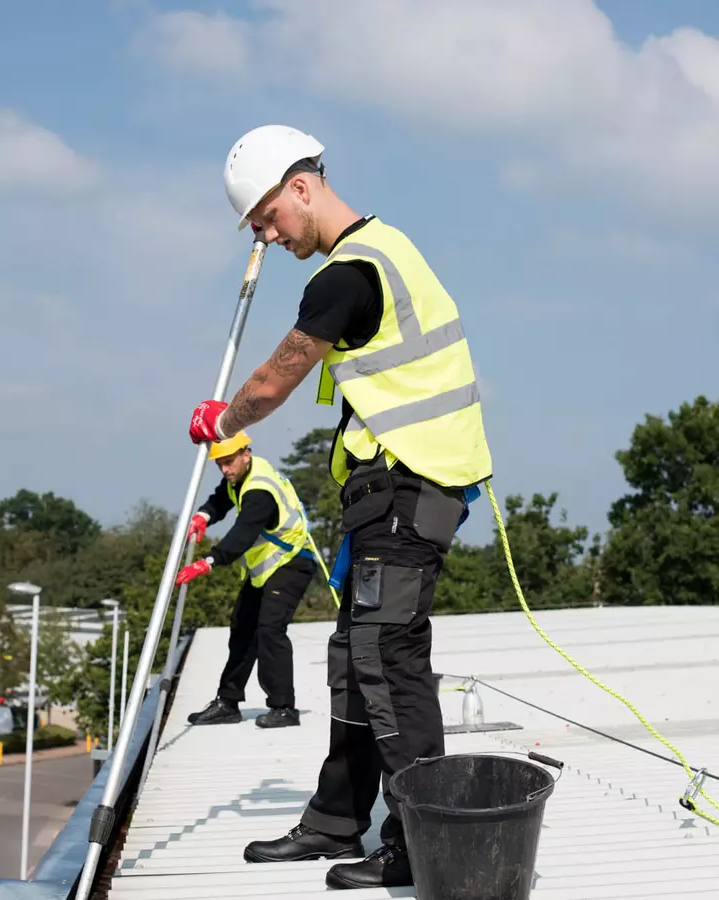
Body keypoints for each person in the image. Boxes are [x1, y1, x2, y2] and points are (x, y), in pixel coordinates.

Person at [186, 125, 493, 890]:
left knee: (387, 659)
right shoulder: (385, 254)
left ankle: (422, 843)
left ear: (301, 188)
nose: (265, 235)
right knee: (356, 658)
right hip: (390, 496)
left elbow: (272, 382)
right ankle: (333, 820)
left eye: (266, 217)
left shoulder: (350, 274)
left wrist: (223, 420)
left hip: (407, 491)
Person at [178, 430, 317, 729]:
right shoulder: (239, 477)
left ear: (245, 454)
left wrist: (208, 561)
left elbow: (243, 533)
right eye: (220, 464)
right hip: (266, 567)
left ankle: (284, 708)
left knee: (270, 630)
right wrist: (204, 516)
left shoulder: (259, 490)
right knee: (242, 628)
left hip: (292, 563)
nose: (224, 469)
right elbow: (221, 499)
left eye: (229, 462)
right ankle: (227, 703)